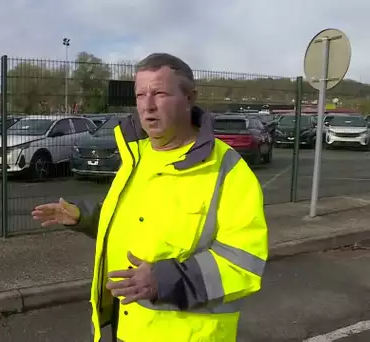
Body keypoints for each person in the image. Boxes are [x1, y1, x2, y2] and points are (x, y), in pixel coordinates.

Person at [31, 53, 268, 342]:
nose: (148, 106)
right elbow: (137, 222)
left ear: (190, 98)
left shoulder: (228, 171)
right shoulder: (137, 156)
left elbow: (242, 263)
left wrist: (162, 280)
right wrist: (85, 217)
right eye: (141, 95)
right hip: (127, 328)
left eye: (160, 93)